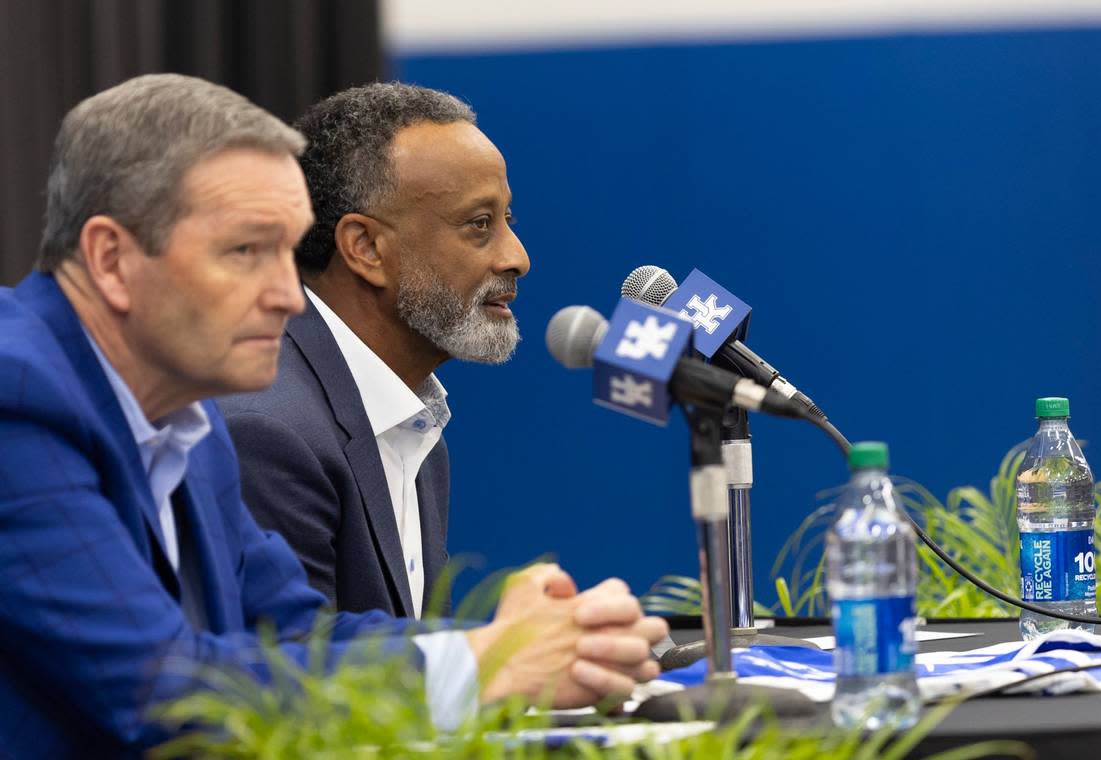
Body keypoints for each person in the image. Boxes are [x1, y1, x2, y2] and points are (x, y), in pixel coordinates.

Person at [0, 73, 666, 757]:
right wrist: (482, 667)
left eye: (287, 253)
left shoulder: (183, 417)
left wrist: (517, 649)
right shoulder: (17, 397)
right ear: (112, 260)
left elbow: (295, 635)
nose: (290, 297)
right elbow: (160, 692)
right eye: (246, 252)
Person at [219, 83, 524, 618]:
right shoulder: (269, 431)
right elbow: (294, 676)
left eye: (508, 221)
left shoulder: (414, 426)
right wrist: (507, 655)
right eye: (479, 225)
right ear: (365, 248)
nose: (516, 257)